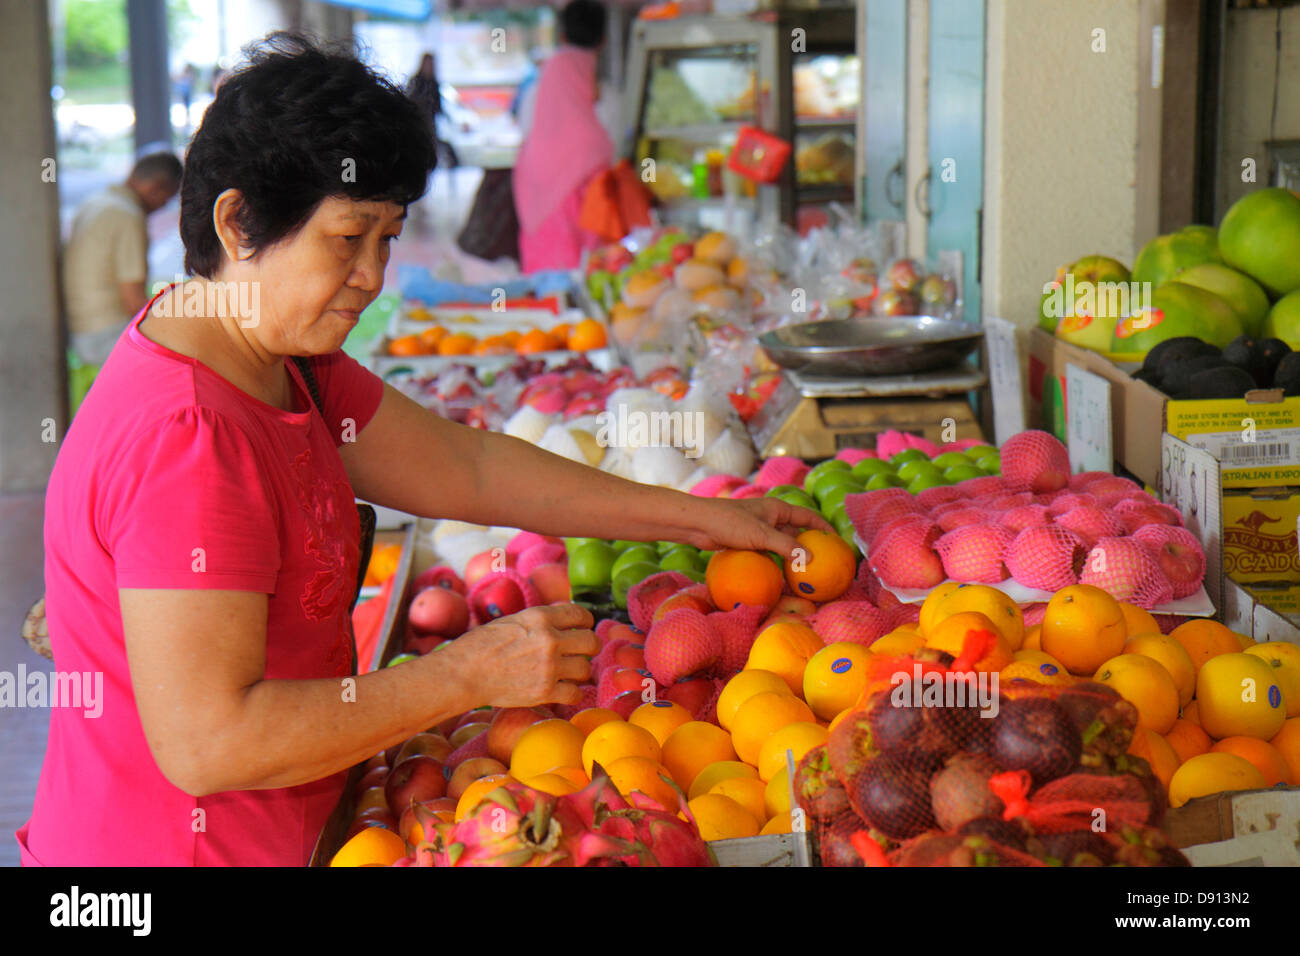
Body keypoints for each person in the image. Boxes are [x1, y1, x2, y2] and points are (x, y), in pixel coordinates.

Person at [19, 34, 827, 867]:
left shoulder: (278, 357)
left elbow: (468, 467)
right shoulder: (191, 434)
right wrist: (465, 677)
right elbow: (210, 744)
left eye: (388, 237)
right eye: (348, 237)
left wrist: (702, 519)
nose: (373, 275)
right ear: (236, 222)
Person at [511, 0, 612, 273]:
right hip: (587, 178)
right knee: (588, 272)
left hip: (539, 181)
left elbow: (525, 123)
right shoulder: (594, 79)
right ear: (603, 40)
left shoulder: (548, 72)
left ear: (563, 34)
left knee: (549, 277)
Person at [61, 151, 183, 368]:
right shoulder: (128, 216)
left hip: (78, 332)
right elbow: (134, 302)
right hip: (104, 336)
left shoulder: (96, 202)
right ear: (156, 187)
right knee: (180, 357)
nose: (164, 206)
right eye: (167, 198)